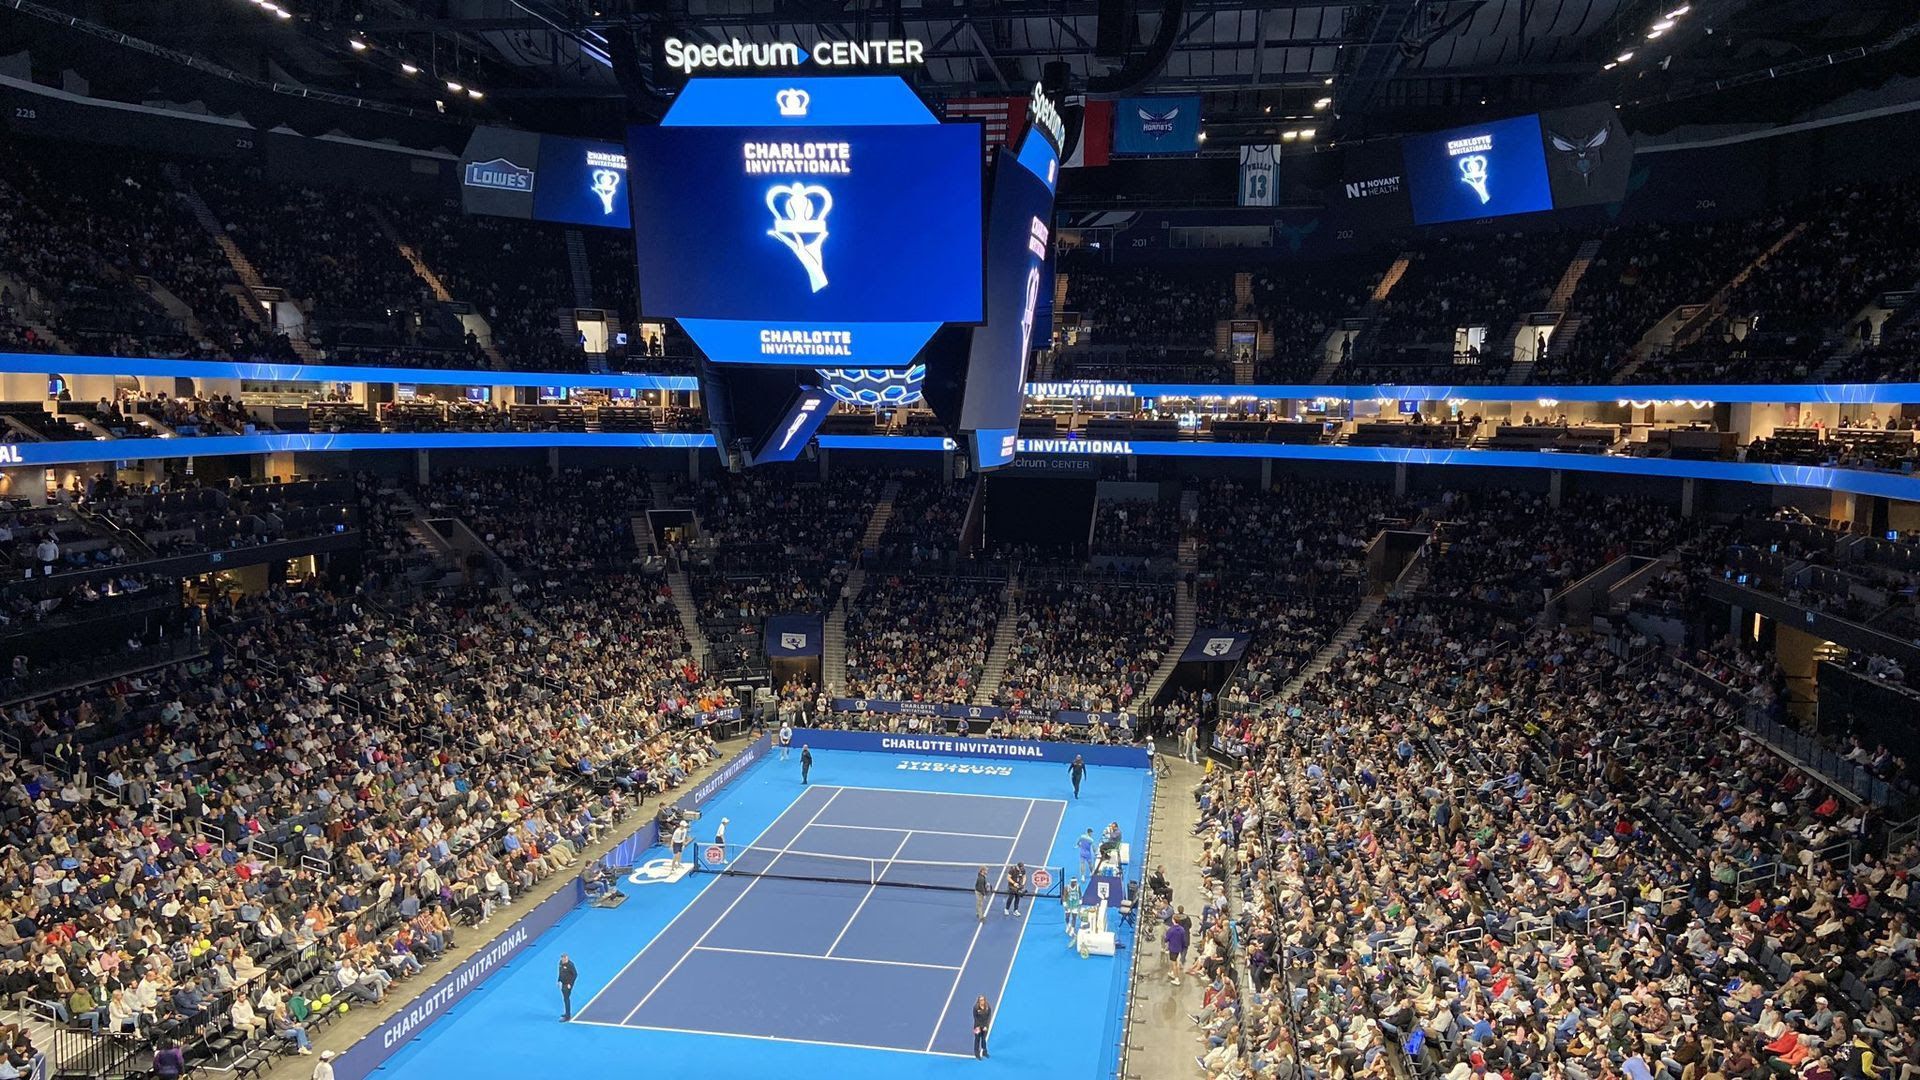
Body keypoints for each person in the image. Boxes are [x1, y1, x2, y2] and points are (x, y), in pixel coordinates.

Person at [1165, 912, 1189, 986]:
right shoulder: (1182, 929)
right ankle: (1173, 973)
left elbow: (1166, 939)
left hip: (1173, 948)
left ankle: (1176, 978)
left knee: (1174, 963)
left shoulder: (1171, 930)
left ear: (1173, 920)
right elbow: (1183, 939)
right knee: (1175, 961)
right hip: (1178, 948)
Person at [558, 954, 578, 1021]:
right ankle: (566, 1013)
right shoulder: (560, 963)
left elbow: (575, 974)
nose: (564, 960)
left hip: (568, 985)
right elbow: (560, 972)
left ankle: (567, 1016)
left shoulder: (570, 965)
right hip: (563, 984)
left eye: (566, 959)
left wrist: (570, 984)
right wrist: (559, 981)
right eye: (563, 959)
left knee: (566, 999)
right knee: (565, 998)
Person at [972, 995, 992, 1059]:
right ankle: (976, 1053)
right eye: (980, 1000)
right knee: (977, 1039)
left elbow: (988, 1018)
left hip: (985, 1027)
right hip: (977, 1026)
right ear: (978, 1001)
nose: (982, 1001)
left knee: (983, 1039)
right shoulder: (975, 1008)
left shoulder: (988, 1007)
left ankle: (984, 1052)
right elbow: (975, 1018)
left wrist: (986, 1026)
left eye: (983, 1000)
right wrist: (979, 1026)